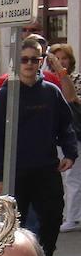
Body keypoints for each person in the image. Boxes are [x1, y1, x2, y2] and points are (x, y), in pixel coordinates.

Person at [0, 36, 78, 256]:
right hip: (15, 174)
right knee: (15, 227)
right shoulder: (6, 95)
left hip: (46, 170)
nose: (29, 64)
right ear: (18, 61)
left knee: (51, 220)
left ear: (41, 61)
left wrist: (70, 153)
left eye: (34, 59)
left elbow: (66, 125)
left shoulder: (51, 92)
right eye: (24, 59)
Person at [51, 44, 81, 233]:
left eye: (64, 58)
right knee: (62, 178)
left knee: (72, 177)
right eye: (57, 58)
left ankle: (74, 218)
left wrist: (61, 73)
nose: (62, 62)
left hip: (74, 134)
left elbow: (71, 98)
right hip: (53, 135)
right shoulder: (46, 79)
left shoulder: (76, 79)